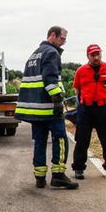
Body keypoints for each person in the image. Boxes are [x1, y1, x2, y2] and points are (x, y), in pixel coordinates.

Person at [17, 26, 79, 189]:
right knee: (60, 140)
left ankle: (40, 178)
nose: (63, 42)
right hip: (49, 107)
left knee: (40, 141)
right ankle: (58, 175)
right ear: (53, 35)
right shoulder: (51, 53)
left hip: (35, 109)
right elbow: (50, 78)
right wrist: (58, 100)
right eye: (62, 39)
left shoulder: (34, 54)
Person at [71, 44, 106, 179]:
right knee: (82, 139)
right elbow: (77, 90)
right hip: (86, 109)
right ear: (88, 56)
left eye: (98, 54)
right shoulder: (81, 71)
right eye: (93, 55)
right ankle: (79, 167)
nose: (96, 57)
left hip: (104, 109)